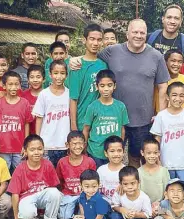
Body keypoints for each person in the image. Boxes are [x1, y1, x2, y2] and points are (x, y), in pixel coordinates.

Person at [70, 19, 170, 168]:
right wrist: (73, 59)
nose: (138, 35)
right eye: (135, 32)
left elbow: (163, 87)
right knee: (111, 157)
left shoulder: (156, 56)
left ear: (146, 35)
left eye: (142, 33)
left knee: (137, 158)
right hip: (112, 118)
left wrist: (160, 115)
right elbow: (91, 56)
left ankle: (132, 188)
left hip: (142, 120)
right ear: (127, 34)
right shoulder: (112, 51)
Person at [7, 135, 63, 219]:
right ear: (25, 151)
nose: (36, 152)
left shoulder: (48, 164)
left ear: (43, 149)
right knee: (27, 214)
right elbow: (15, 194)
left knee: (55, 193)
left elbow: (53, 188)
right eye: (32, 150)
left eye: (39, 149)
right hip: (26, 199)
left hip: (42, 196)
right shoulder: (20, 169)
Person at [150, 82, 184, 184]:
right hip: (165, 163)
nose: (178, 99)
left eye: (181, 95)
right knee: (167, 191)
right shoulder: (161, 116)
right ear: (167, 97)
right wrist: (157, 160)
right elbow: (157, 140)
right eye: (174, 95)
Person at [83, 70, 129, 167]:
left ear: (114, 86)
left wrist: (120, 148)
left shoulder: (120, 106)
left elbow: (122, 129)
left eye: (109, 85)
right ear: (97, 86)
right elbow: (86, 129)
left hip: (113, 153)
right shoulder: (92, 107)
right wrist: (84, 149)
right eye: (102, 86)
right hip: (95, 152)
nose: (106, 89)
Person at [0, 71, 33, 170]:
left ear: (20, 86)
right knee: (3, 176)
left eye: (16, 84)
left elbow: (27, 125)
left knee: (21, 173)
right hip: (2, 148)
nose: (13, 87)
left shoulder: (24, 103)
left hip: (19, 148)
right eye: (10, 84)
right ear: (4, 86)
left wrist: (26, 145)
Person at [69, 23, 108, 132]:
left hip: (100, 121)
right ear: (84, 40)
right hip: (82, 121)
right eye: (92, 39)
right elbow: (73, 99)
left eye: (99, 40)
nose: (95, 43)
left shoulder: (104, 65)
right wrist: (73, 126)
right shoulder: (77, 65)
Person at [32, 60, 70, 167]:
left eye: (62, 73)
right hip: (47, 144)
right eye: (56, 73)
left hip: (64, 144)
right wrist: (38, 140)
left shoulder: (69, 94)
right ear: (50, 74)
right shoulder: (44, 94)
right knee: (47, 173)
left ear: (66, 75)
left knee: (62, 176)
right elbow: (39, 118)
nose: (59, 76)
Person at [56, 131, 96, 219]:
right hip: (68, 194)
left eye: (80, 143)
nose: (78, 146)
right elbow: (60, 181)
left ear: (84, 144)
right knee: (64, 218)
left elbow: (93, 181)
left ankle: (81, 215)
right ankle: (73, 214)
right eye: (74, 144)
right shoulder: (62, 162)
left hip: (85, 194)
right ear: (67, 145)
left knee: (85, 218)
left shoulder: (89, 162)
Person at [138, 138, 170, 217]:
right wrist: (148, 209)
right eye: (148, 153)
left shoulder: (163, 171)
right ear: (142, 153)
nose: (152, 156)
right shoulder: (138, 172)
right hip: (143, 208)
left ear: (159, 153)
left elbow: (168, 192)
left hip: (161, 207)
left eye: (155, 153)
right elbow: (137, 194)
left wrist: (159, 205)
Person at [97, 136, 125, 204]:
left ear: (123, 152)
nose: (116, 154)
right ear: (106, 153)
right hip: (103, 204)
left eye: (119, 150)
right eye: (112, 151)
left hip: (120, 206)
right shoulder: (101, 170)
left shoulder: (127, 171)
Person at [21, 65, 45, 135]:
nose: (35, 80)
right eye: (32, 77)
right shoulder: (23, 96)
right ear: (28, 80)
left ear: (44, 79)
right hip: (27, 135)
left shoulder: (48, 95)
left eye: (38, 77)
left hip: (44, 134)